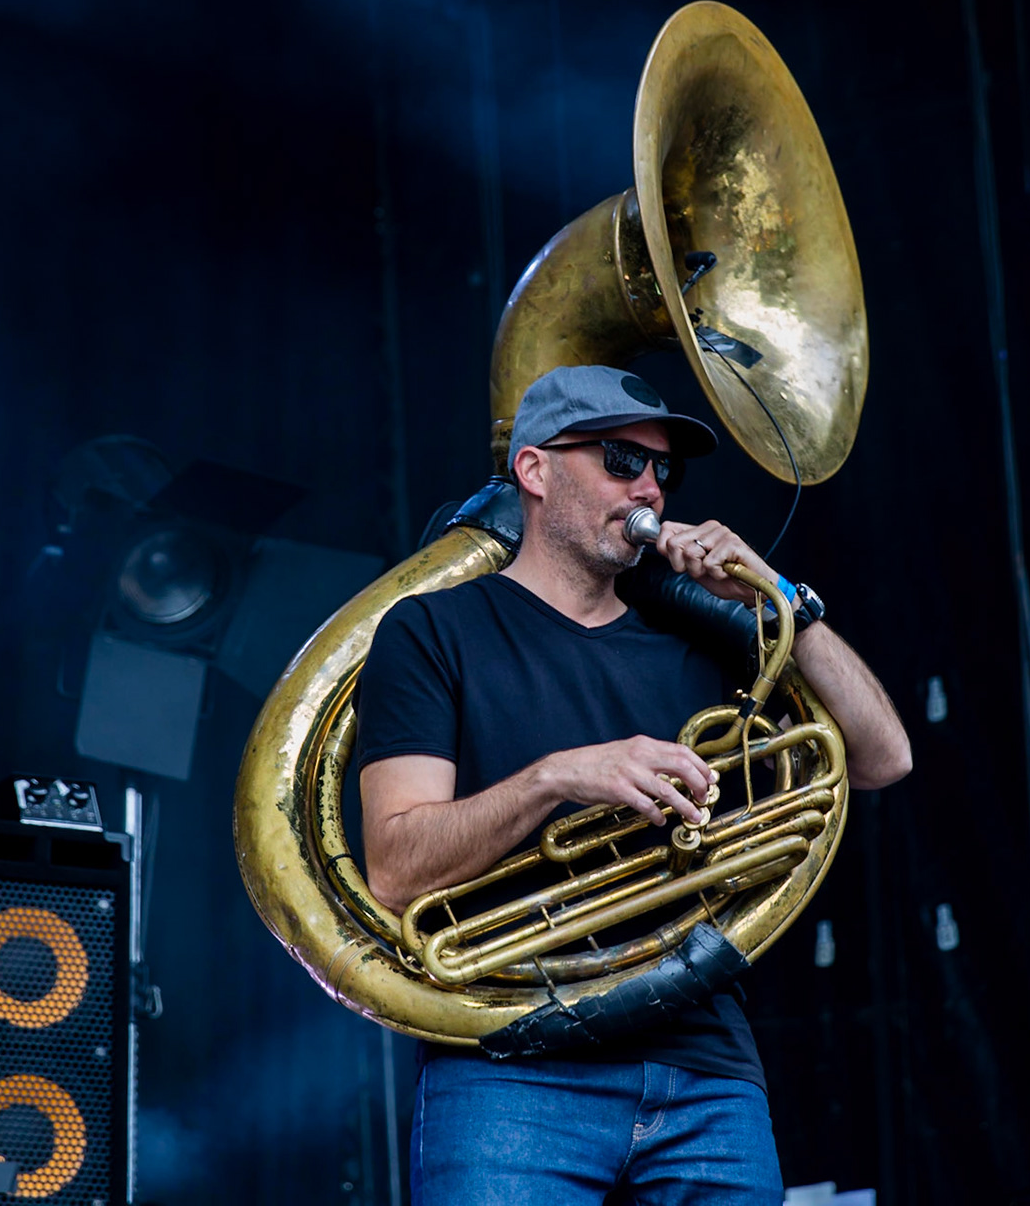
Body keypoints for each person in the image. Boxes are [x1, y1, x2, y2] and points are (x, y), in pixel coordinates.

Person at [355, 364, 913, 1204]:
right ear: (534, 471)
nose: (649, 485)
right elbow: (397, 869)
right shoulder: (433, 629)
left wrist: (777, 599)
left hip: (705, 1070)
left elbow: (883, 757)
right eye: (620, 459)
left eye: (662, 469)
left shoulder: (702, 635)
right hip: (512, 1065)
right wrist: (556, 778)